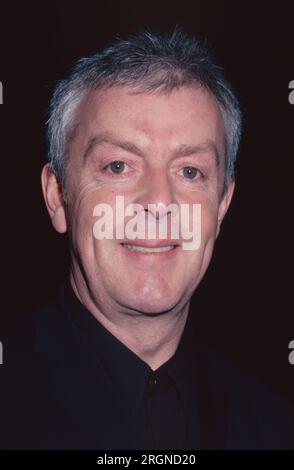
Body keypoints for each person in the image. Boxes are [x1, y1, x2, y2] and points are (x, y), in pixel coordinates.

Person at [1, 28, 293, 450]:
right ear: (58, 196)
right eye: (119, 166)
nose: (159, 202)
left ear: (222, 206)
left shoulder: (274, 426)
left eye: (190, 172)